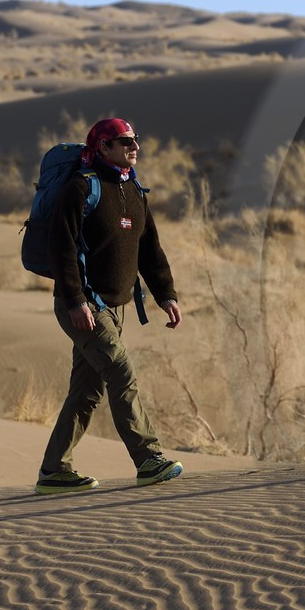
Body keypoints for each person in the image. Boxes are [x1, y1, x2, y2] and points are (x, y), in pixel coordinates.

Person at [34, 117, 186, 495]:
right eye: (124, 141)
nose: (134, 147)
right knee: (121, 373)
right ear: (102, 147)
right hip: (83, 307)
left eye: (136, 139)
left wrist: (166, 294)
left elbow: (149, 249)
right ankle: (148, 458)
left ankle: (54, 470)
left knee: (86, 392)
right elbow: (62, 250)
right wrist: (75, 301)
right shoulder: (81, 189)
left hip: (113, 310)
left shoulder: (133, 190)